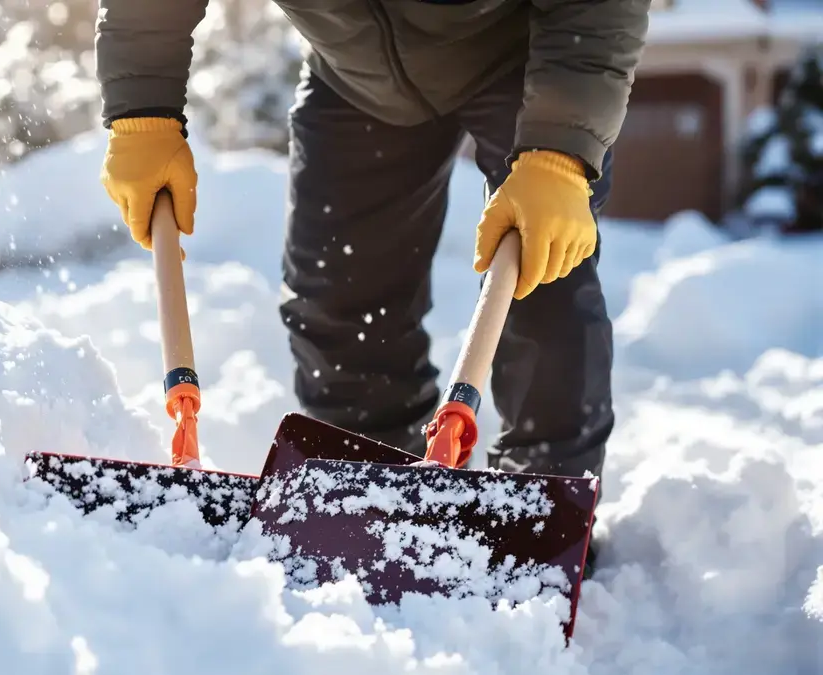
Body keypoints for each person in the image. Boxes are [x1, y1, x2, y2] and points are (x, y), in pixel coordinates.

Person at [95, 0, 652, 575]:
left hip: (527, 56)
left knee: (541, 284)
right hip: (356, 73)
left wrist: (560, 154)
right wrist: (143, 113)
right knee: (339, 299)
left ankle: (542, 516)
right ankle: (367, 508)